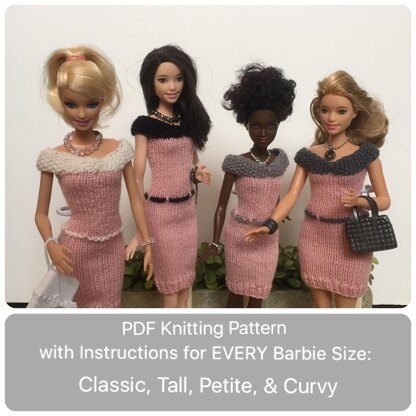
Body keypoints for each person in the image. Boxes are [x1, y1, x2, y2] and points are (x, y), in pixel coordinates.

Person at [245, 70, 390, 308]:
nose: (331, 118)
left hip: (351, 240)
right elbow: (292, 194)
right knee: (320, 309)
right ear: (317, 111)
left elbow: (384, 200)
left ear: (355, 113)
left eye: (341, 111)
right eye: (325, 110)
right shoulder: (309, 156)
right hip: (315, 238)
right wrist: (270, 224)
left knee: (346, 309)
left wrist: (360, 201)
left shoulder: (367, 155)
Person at [35, 45, 153, 308]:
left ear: (103, 100)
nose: (81, 113)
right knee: (75, 312)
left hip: (112, 248)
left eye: (91, 104)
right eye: (71, 104)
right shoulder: (53, 157)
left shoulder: (119, 150)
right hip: (72, 252)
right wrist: (51, 244)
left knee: (109, 308)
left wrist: (148, 242)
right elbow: (41, 214)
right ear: (60, 102)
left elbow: (136, 200)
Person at [200, 63, 296, 308]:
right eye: (256, 125)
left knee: (258, 296)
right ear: (246, 124)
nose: (263, 132)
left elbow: (274, 194)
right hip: (240, 237)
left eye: (270, 126)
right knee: (236, 293)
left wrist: (278, 212)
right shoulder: (236, 163)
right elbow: (221, 206)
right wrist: (215, 241)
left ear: (278, 124)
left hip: (268, 236)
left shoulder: (280, 161)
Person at [125, 45, 212, 308]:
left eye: (178, 78)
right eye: (163, 80)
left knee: (185, 285)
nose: (172, 86)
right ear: (151, 83)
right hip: (160, 215)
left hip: (186, 212)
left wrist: (197, 172)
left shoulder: (189, 122)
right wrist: (141, 232)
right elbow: (136, 179)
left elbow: (191, 162)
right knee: (170, 289)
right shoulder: (145, 126)